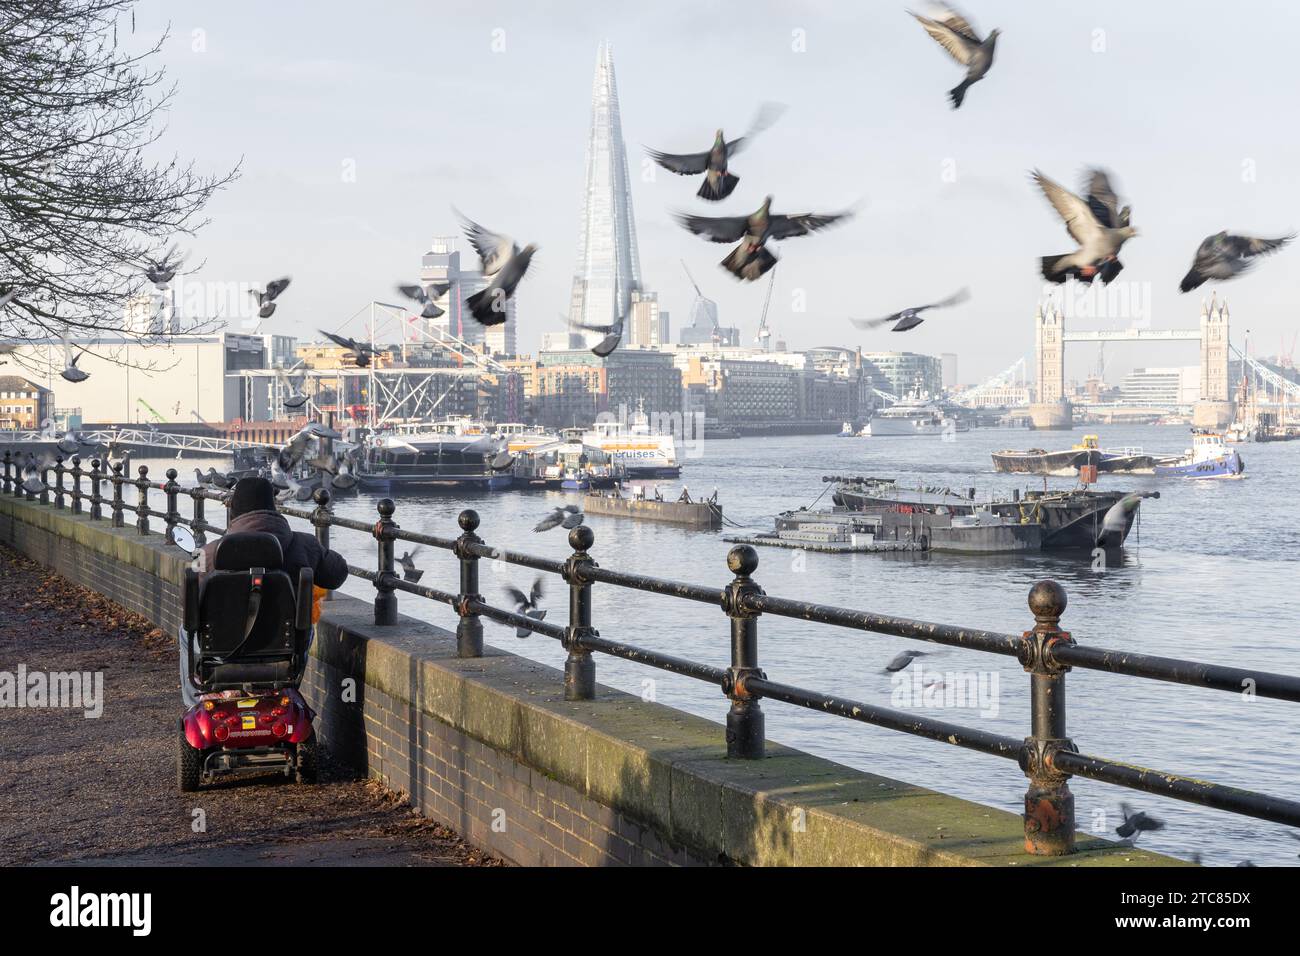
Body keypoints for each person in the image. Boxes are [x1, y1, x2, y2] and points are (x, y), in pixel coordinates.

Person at [179, 476, 348, 707]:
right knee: (305, 623)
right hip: (283, 648)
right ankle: (284, 687)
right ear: (272, 508)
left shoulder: (205, 553)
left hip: (223, 649)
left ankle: (194, 703)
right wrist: (316, 553)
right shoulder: (305, 545)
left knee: (184, 629)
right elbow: (338, 574)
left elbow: (186, 602)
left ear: (234, 513)